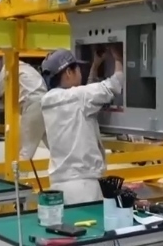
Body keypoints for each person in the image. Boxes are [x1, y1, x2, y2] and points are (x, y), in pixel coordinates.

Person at [40, 46, 124, 204]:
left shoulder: (48, 101)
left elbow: (85, 94)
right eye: (78, 69)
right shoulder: (78, 98)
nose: (81, 72)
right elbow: (115, 83)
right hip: (84, 186)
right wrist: (119, 58)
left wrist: (95, 66)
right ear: (68, 72)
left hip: (59, 185)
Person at [0, 60, 48, 161]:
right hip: (46, 103)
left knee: (24, 152)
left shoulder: (9, 66)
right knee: (55, 146)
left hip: (33, 105)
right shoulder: (28, 68)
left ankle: (19, 171)